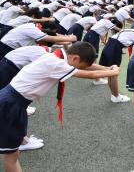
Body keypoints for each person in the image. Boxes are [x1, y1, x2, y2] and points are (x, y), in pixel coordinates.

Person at [0, 42, 120, 172]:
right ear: (75, 58)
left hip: (11, 101)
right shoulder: (58, 64)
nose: (81, 68)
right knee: (11, 157)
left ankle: (20, 142)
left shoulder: (55, 56)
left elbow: (87, 67)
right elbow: (90, 74)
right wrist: (114, 71)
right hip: (11, 105)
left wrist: (107, 68)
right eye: (81, 66)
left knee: (12, 151)